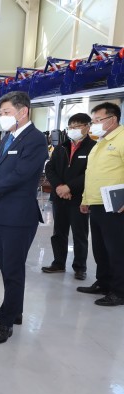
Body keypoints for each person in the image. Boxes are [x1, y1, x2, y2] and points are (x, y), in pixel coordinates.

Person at [0, 91, 48, 344]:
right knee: (5, 266)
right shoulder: (9, 136)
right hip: (1, 211)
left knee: (13, 269)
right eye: (1, 113)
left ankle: (6, 323)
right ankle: (12, 310)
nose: (3, 117)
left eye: (6, 112)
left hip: (19, 215)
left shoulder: (35, 140)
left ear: (23, 111)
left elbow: (21, 175)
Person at [77, 102, 124, 306]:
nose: (94, 124)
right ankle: (103, 282)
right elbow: (92, 173)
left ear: (112, 119)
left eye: (97, 120)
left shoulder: (121, 138)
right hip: (96, 202)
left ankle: (120, 291)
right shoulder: (101, 141)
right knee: (100, 248)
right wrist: (86, 198)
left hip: (115, 204)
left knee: (116, 249)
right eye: (93, 120)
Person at [41, 113, 95, 280]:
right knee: (59, 232)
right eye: (71, 127)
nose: (74, 130)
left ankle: (80, 267)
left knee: (80, 233)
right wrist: (59, 186)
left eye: (78, 126)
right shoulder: (61, 147)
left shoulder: (93, 148)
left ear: (87, 127)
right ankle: (58, 263)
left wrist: (69, 187)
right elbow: (50, 168)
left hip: (79, 197)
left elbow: (91, 173)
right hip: (59, 197)